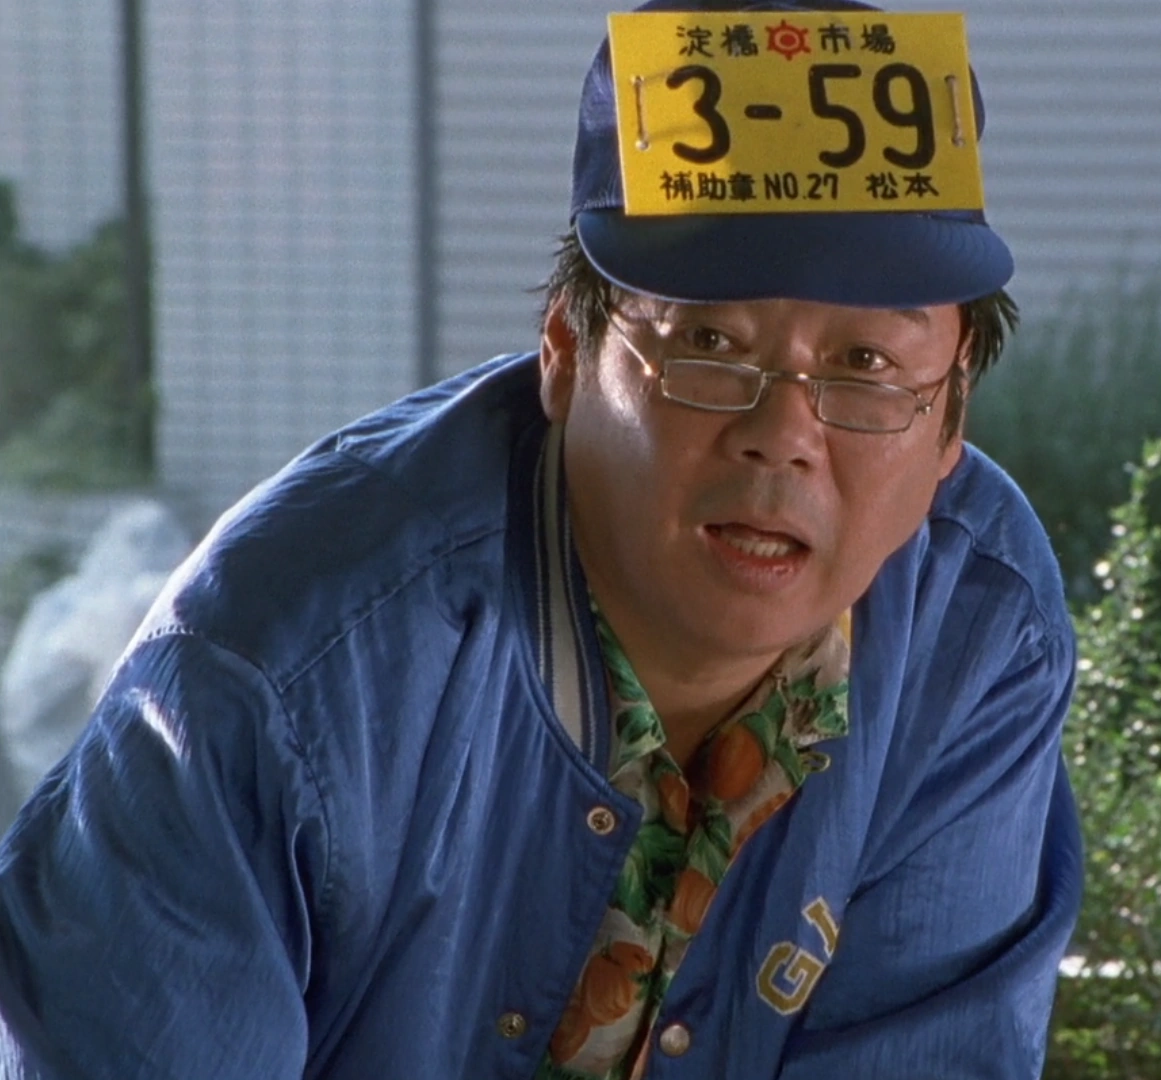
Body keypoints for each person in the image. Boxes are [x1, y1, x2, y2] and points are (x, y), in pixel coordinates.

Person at [0, 1, 1081, 1076]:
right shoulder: (284, 664)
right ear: (564, 350)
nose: (783, 437)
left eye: (866, 367)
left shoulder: (979, 622)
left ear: (951, 422)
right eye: (709, 342)